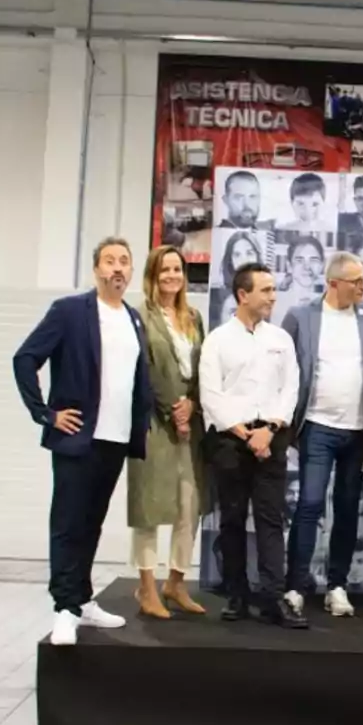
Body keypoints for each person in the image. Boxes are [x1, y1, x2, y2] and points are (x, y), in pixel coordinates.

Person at [12, 237, 152, 646]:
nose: (118, 269)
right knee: (68, 524)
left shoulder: (132, 318)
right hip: (78, 439)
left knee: (92, 522)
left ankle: (83, 599)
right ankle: (64, 608)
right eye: (110, 261)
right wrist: (45, 412)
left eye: (124, 262)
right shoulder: (70, 311)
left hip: (115, 439)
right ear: (96, 270)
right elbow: (25, 358)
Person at [282, 251, 363, 620]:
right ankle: (295, 585)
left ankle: (337, 585)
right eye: (356, 281)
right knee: (310, 504)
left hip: (360, 429)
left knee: (347, 508)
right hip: (316, 426)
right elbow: (285, 370)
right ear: (333, 283)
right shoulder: (301, 316)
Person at [199, 262, 305, 628]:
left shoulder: (281, 339)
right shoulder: (217, 340)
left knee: (270, 520)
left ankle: (274, 598)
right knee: (230, 519)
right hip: (231, 440)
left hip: (271, 437)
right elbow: (211, 396)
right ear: (243, 295)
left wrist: (270, 430)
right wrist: (246, 434)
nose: (273, 297)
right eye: (266, 290)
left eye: (274, 289)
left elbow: (290, 389)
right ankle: (236, 595)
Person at [126, 245, 209, 619]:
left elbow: (204, 365)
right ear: (153, 275)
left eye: (177, 269)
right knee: (149, 507)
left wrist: (191, 403)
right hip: (154, 423)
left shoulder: (193, 316)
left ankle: (176, 582)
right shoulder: (140, 316)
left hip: (190, 423)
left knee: (189, 506)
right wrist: (171, 407)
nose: (172, 276)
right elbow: (145, 368)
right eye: (165, 270)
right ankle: (146, 587)